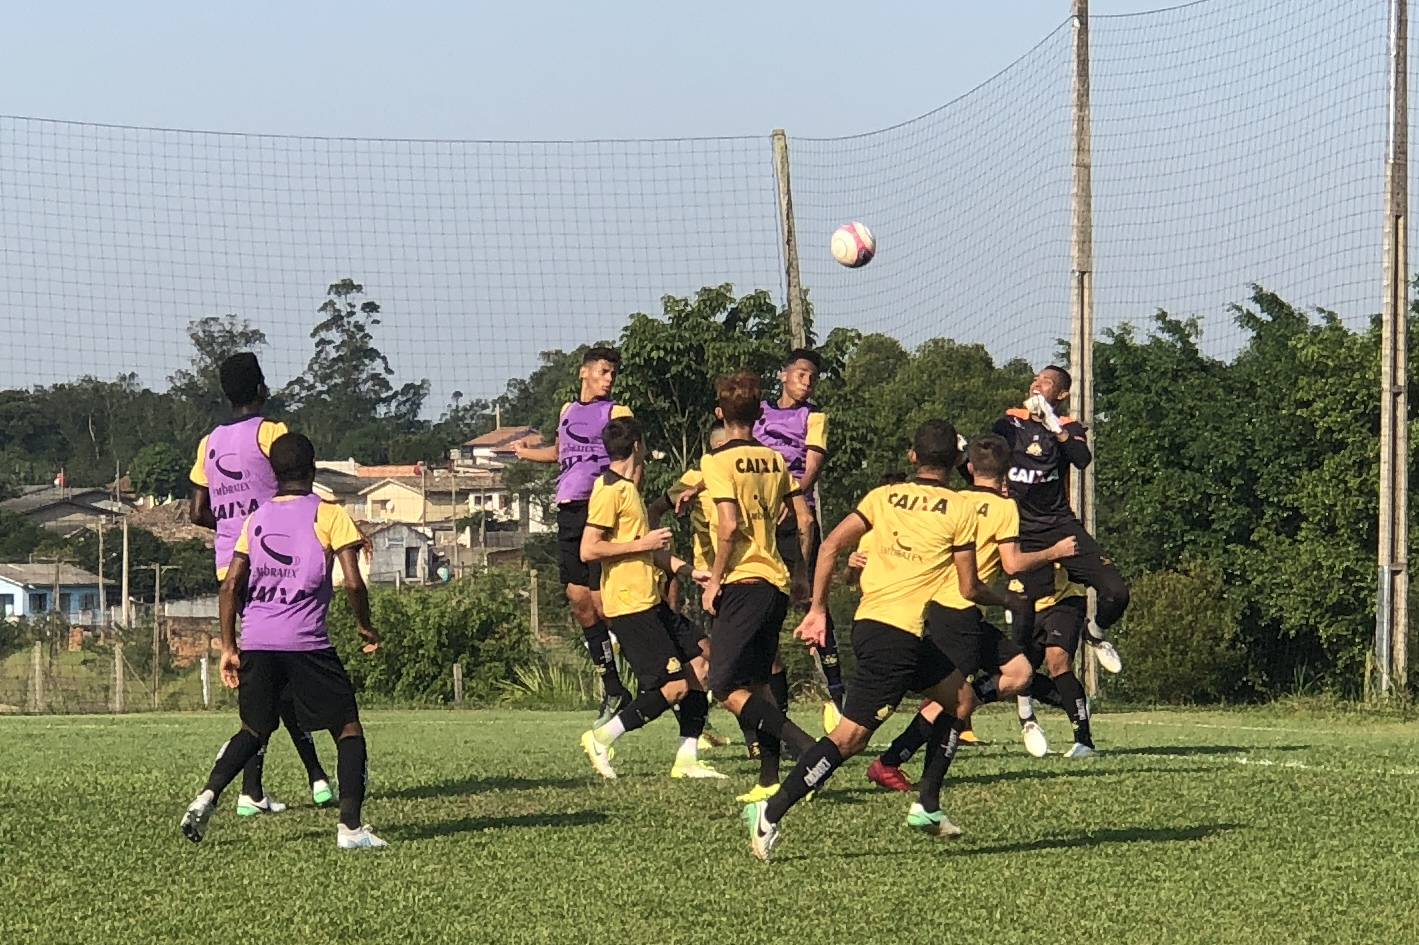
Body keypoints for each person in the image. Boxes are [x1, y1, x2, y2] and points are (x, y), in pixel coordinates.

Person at [743, 420, 988, 861]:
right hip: (895, 639)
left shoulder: (882, 496)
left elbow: (831, 545)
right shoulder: (960, 508)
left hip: (882, 628)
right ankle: (771, 810)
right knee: (850, 739)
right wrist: (1010, 597)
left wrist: (818, 609)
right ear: (956, 461)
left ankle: (927, 806)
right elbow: (970, 589)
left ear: (912, 457)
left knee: (961, 701)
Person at [180, 433, 386, 849]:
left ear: (272, 473)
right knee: (347, 727)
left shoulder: (255, 519)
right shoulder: (329, 514)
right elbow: (352, 581)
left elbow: (230, 585)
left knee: (253, 729)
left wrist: (228, 646)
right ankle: (350, 828)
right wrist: (365, 626)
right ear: (313, 471)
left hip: (256, 640)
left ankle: (206, 797)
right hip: (306, 642)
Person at [865, 434, 1076, 793]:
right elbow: (1012, 564)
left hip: (945, 606)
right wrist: (1054, 551)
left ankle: (960, 706)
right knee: (947, 700)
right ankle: (890, 761)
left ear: (971, 468)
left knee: (1020, 673)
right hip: (957, 609)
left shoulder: (954, 499)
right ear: (1008, 471)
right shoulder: (1005, 507)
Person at [187, 352, 332, 815]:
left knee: (265, 677)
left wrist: (233, 529)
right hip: (273, 565)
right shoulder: (272, 433)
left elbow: (196, 511)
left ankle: (266, 786)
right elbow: (295, 485)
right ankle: (281, 784)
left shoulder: (208, 442)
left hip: (229, 567)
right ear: (261, 389)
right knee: (280, 677)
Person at [577, 417, 723, 780]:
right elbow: (588, 549)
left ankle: (687, 759)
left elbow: (650, 552)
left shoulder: (629, 489)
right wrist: (642, 543)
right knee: (672, 688)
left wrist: (690, 572)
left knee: (700, 665)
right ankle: (602, 737)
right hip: (629, 605)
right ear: (638, 446)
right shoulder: (609, 489)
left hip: (650, 600)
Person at [700, 372, 819, 803]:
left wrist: (714, 580)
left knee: (724, 686)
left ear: (719, 414)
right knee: (757, 681)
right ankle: (769, 778)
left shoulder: (716, 462)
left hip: (743, 580)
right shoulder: (775, 459)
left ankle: (808, 751)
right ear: (757, 415)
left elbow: (728, 525)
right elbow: (803, 520)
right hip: (777, 580)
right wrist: (802, 575)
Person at [512, 346, 635, 725]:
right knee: (578, 599)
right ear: (584, 373)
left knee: (608, 605)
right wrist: (525, 452)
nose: (609, 379)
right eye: (603, 371)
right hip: (568, 510)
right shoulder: (568, 410)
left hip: (599, 510)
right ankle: (614, 688)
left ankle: (670, 682)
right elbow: (562, 452)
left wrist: (624, 505)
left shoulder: (618, 413)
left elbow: (634, 463)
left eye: (613, 373)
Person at [994, 365, 1126, 673]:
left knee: (1117, 592)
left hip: (1059, 526)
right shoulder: (1010, 421)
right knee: (1024, 628)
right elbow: (984, 459)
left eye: (1047, 382)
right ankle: (1026, 713)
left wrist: (1052, 423)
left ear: (1062, 394)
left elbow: (1082, 460)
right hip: (1021, 531)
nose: (1037, 384)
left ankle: (1094, 633)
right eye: (1037, 378)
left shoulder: (1068, 425)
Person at [752, 349, 843, 735]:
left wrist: (789, 499)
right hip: (759, 520)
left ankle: (840, 701)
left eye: (812, 378)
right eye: (801, 374)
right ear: (783, 374)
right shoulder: (759, 411)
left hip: (796, 518)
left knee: (813, 605)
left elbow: (810, 470)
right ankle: (778, 714)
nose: (807, 383)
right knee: (764, 612)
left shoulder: (814, 418)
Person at [1013, 564, 1097, 757]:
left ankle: (1083, 740)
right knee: (1018, 671)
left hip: (1065, 599)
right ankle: (1029, 717)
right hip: (1025, 603)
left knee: (1057, 660)